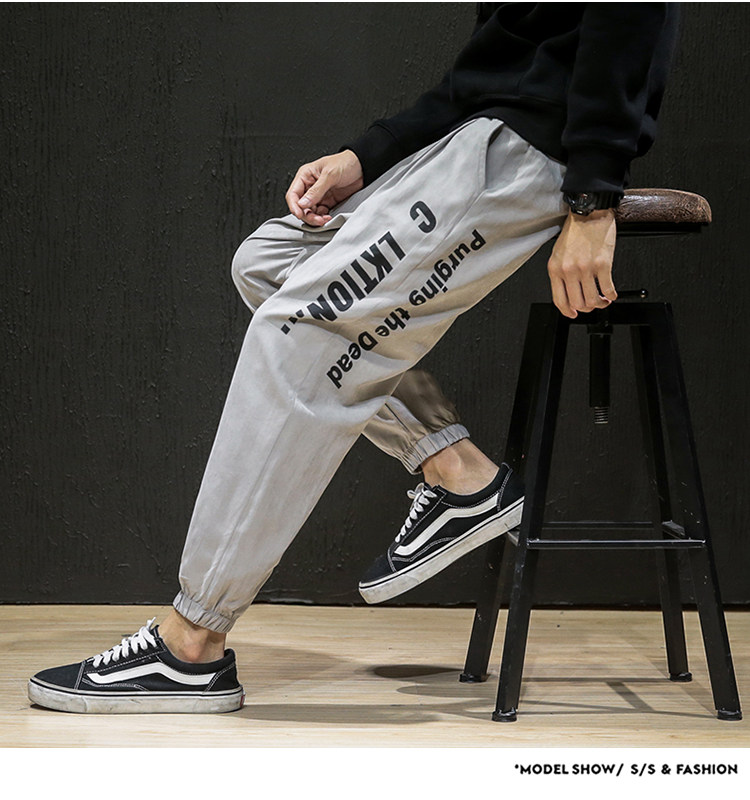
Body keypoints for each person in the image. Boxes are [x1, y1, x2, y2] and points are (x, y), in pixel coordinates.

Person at [28, 3, 680, 713]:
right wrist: (368, 154)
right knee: (267, 263)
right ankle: (456, 471)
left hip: (524, 150)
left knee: (299, 328)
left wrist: (593, 198)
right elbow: (492, 69)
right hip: (471, 139)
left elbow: (629, 16)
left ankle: (191, 644)